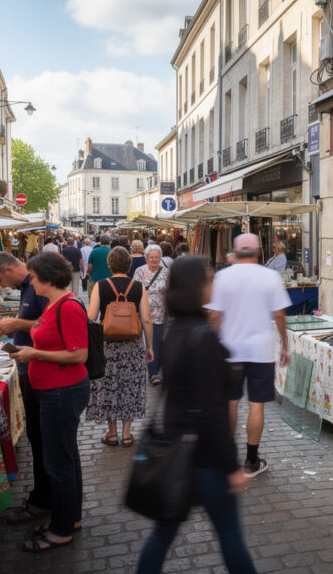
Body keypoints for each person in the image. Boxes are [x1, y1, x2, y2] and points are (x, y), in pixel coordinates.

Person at [135, 256, 257, 574]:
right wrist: (231, 467)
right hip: (203, 460)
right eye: (208, 279)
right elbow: (212, 413)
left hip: (175, 448)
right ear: (195, 287)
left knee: (162, 535)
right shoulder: (202, 337)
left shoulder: (174, 330)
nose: (212, 284)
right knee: (230, 537)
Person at [7, 252, 89, 552]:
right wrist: (18, 335)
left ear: (47, 277)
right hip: (54, 390)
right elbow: (42, 333)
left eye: (34, 276)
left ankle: (62, 529)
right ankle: (71, 518)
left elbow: (79, 354)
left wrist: (34, 354)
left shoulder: (68, 307)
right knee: (66, 458)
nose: (31, 280)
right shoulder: (54, 304)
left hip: (63, 391)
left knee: (59, 463)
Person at [208, 234, 291, 477]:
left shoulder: (223, 276)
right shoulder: (269, 276)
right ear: (258, 251)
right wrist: (284, 345)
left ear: (235, 251)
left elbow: (214, 316)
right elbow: (279, 315)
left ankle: (229, 456)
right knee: (257, 405)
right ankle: (252, 461)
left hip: (230, 350)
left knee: (231, 402)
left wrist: (214, 344)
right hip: (261, 350)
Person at [0, 252, 52, 526]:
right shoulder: (28, 288)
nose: (1, 286)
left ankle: (44, 500)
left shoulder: (38, 287)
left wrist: (16, 324)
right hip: (29, 369)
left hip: (38, 371)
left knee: (41, 440)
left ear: (11, 269)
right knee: (38, 440)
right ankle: (43, 497)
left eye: (0, 280)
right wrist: (11, 326)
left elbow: (49, 325)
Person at [86, 247, 153, 447]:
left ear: (109, 264)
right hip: (132, 346)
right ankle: (126, 434)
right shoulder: (139, 287)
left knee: (107, 387)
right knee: (129, 387)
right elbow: (147, 319)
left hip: (107, 346)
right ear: (129, 264)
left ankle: (112, 433)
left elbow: (91, 317)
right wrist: (149, 346)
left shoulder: (100, 285)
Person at [133, 244, 169, 387]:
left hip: (159, 313)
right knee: (139, 342)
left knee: (155, 343)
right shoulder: (140, 271)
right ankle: (144, 371)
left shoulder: (166, 272)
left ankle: (153, 372)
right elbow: (134, 290)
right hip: (141, 312)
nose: (154, 260)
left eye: (157, 257)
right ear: (146, 257)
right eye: (151, 257)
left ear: (160, 258)